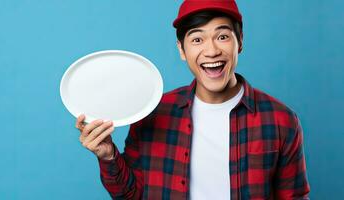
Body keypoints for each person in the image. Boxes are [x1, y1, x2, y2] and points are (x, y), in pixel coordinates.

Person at [75, 0, 310, 199]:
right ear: (181, 49)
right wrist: (108, 156)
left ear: (240, 42)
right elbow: (131, 194)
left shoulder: (281, 120)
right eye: (197, 39)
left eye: (222, 36)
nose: (211, 51)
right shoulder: (153, 112)